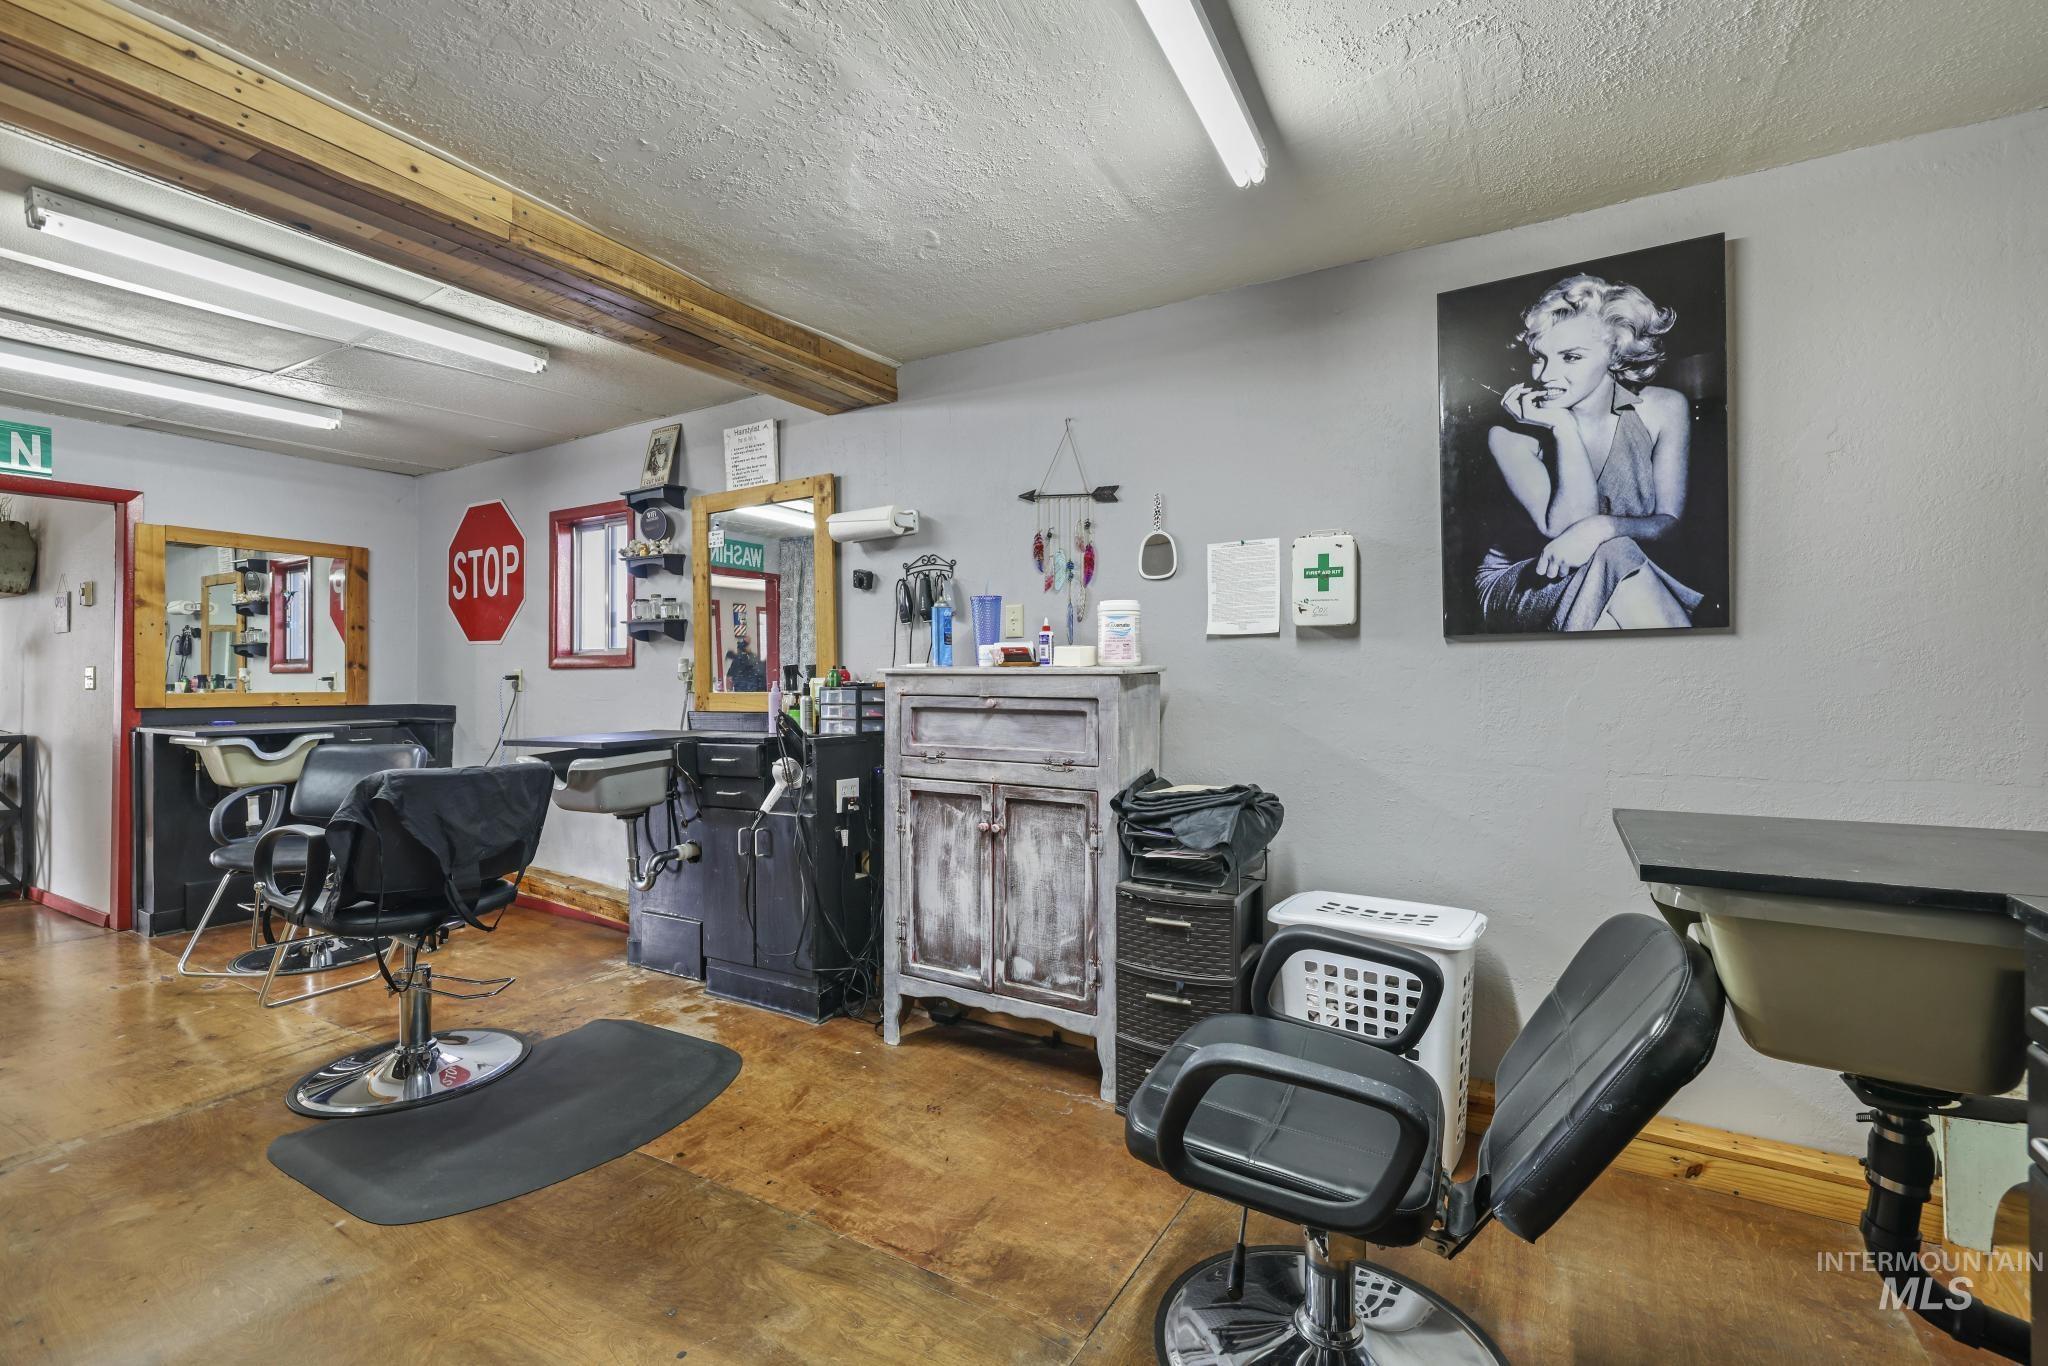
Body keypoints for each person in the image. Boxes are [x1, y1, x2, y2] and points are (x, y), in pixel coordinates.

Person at [1476, 273, 1701, 631]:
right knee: (1616, 557)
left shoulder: (1664, 409)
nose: (1547, 374)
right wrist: (1562, 427)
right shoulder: (1507, 434)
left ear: (1615, 353)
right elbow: (1563, 528)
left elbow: (1668, 523)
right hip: (1524, 580)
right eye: (1540, 357)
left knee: (1613, 572)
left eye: (1570, 357)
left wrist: (1600, 528)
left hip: (1619, 567)